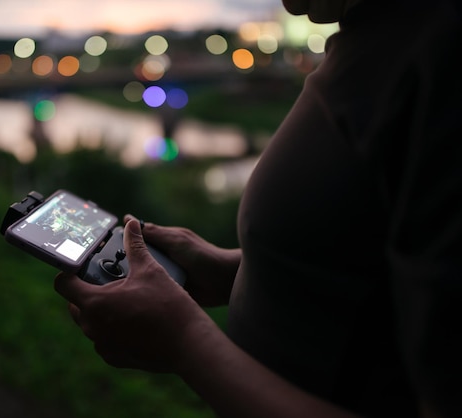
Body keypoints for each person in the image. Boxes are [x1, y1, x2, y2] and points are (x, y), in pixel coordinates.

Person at [54, 0, 462, 416]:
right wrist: (238, 270)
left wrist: (184, 343)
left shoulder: (447, 58)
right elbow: (368, 270)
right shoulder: (385, 36)